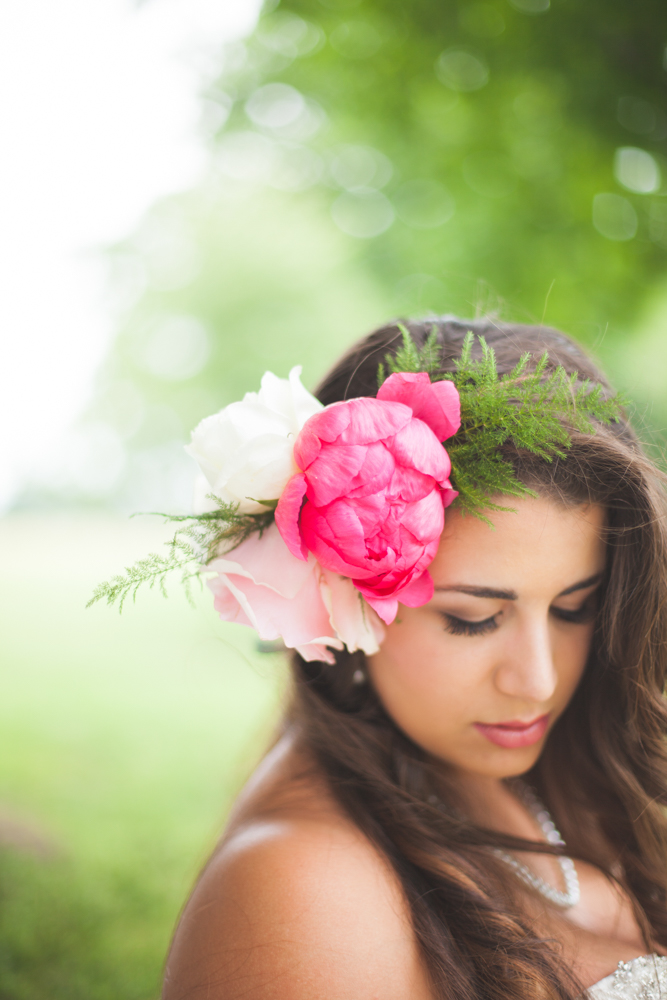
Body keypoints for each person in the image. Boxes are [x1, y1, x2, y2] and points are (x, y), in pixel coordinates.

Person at [161, 318, 667, 1000]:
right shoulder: (301, 889)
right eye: (472, 619)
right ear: (338, 595)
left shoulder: (573, 766)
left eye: (574, 607)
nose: (538, 679)